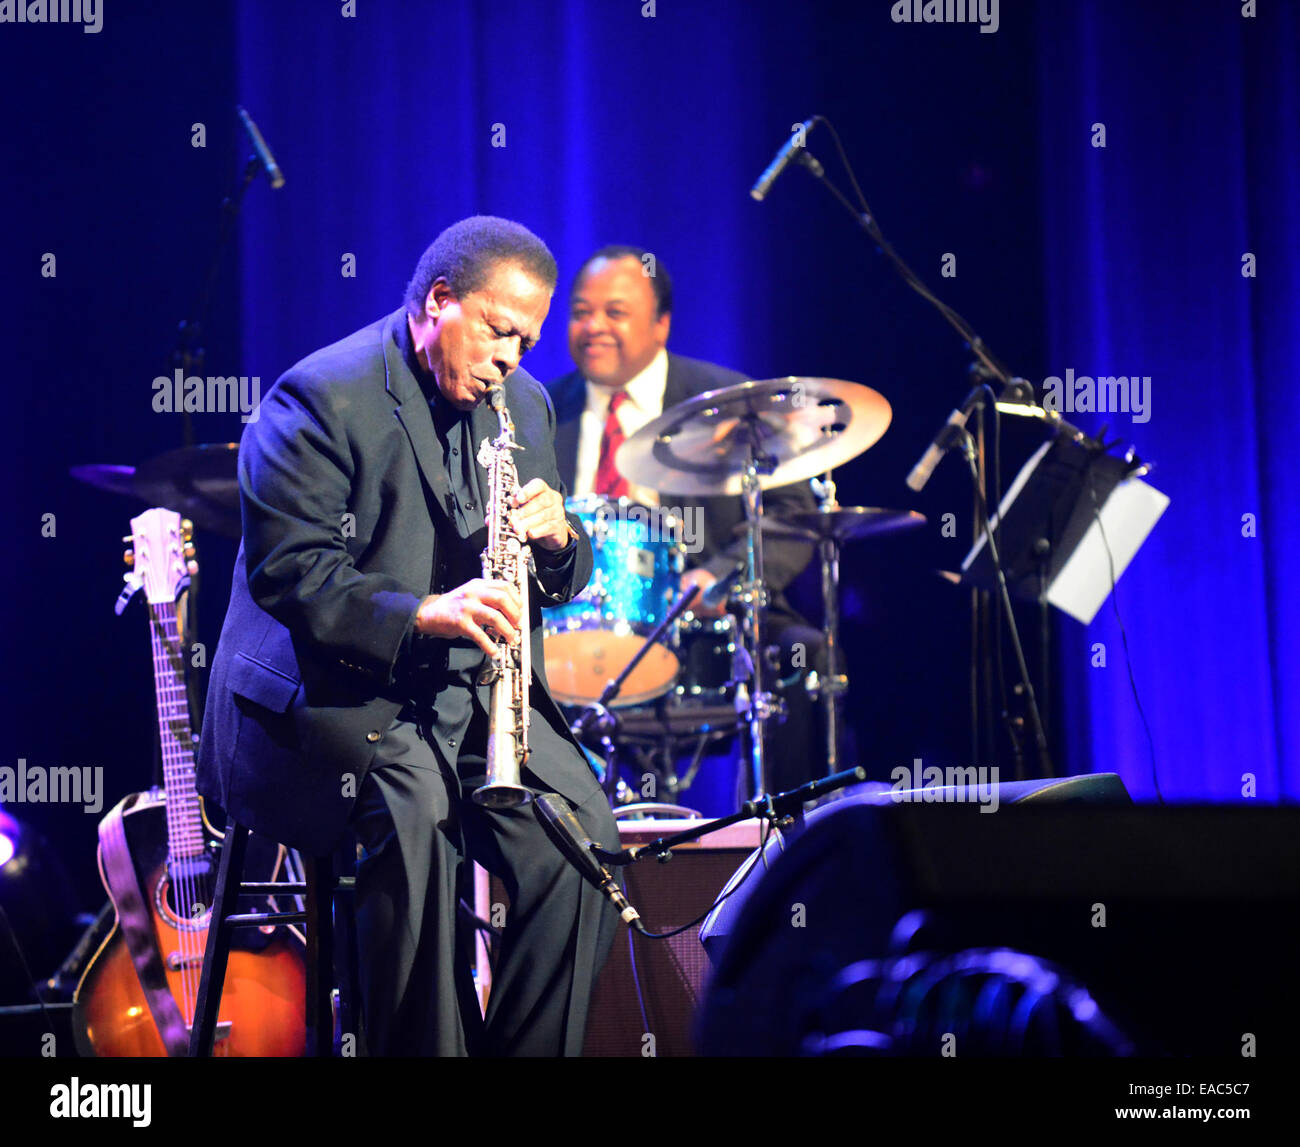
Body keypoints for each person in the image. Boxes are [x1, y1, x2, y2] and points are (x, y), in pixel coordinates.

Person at [197, 216, 622, 1057]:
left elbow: (561, 581)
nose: (513, 359)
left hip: (461, 693)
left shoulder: (525, 405)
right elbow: (292, 574)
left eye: (528, 342)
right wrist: (422, 613)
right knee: (416, 818)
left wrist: (560, 542)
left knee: (584, 836)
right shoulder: (320, 395)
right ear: (439, 302)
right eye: (501, 332)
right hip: (328, 692)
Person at [545, 246, 825, 798]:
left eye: (614, 312)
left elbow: (793, 514)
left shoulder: (727, 402)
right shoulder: (541, 408)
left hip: (705, 622)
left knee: (805, 652)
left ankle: (795, 849)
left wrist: (724, 575)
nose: (593, 326)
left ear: (661, 324)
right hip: (567, 627)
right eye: (581, 312)